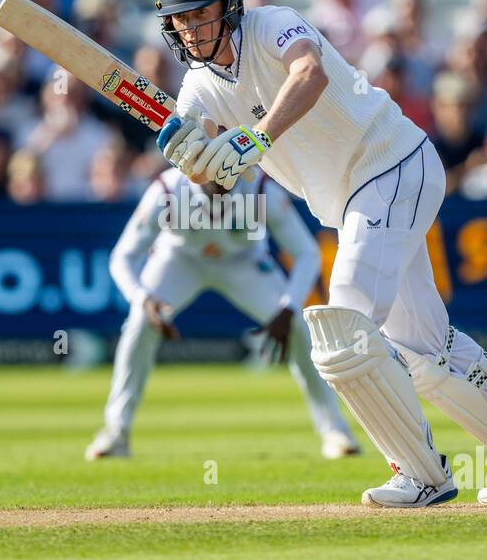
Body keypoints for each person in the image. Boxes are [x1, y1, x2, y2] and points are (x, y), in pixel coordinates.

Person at [152, 0, 487, 507]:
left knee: (343, 330)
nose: (191, 29)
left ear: (230, 6)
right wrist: (198, 166)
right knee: (428, 351)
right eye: (180, 20)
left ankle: (421, 473)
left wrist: (254, 138)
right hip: (360, 197)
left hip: (391, 163)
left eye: (201, 14)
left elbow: (310, 72)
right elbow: (219, 183)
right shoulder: (196, 92)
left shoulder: (272, 23)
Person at [87, 168, 359, 461]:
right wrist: (142, 299)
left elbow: (307, 252)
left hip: (244, 263)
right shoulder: (166, 191)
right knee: (140, 324)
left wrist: (289, 307)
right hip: (180, 260)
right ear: (193, 172)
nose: (222, 181)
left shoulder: (261, 189)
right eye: (212, 172)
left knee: (297, 328)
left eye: (227, 171)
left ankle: (334, 430)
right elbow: (122, 257)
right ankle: (117, 432)